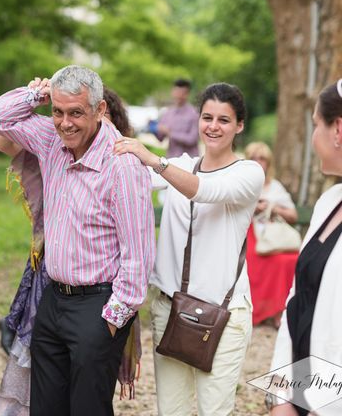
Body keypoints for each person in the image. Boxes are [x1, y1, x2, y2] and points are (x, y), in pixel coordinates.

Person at [0, 66, 156, 416]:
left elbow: (138, 256)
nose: (65, 123)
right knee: (46, 408)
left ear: (100, 110)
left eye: (76, 112)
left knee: (87, 409)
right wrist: (37, 95)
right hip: (53, 301)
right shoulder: (51, 139)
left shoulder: (122, 165)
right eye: (58, 112)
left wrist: (110, 322)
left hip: (98, 308)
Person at [114, 82, 264, 415]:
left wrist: (154, 159)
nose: (213, 126)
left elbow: (203, 190)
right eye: (207, 117)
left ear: (239, 125)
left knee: (214, 411)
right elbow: (125, 172)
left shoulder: (249, 173)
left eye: (223, 120)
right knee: (171, 411)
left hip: (223, 317)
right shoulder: (182, 164)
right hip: (170, 309)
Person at [267, 79, 342, 416]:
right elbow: (298, 302)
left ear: (337, 130)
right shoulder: (329, 203)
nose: (313, 138)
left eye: (315, 126)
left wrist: (327, 407)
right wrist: (283, 395)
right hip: (303, 393)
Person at [244, 141, 299, 328]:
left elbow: (293, 215)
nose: (259, 162)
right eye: (254, 158)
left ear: (269, 162)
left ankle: (279, 311)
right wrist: (252, 208)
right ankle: (255, 310)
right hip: (249, 236)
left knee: (289, 260)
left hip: (272, 237)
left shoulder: (275, 187)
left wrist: (273, 208)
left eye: (262, 158)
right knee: (253, 258)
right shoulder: (243, 184)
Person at [155, 78, 199, 158]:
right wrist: (155, 129)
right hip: (171, 160)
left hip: (190, 161)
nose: (178, 95)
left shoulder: (194, 114)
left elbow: (192, 139)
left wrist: (170, 133)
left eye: (181, 93)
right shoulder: (167, 113)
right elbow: (160, 139)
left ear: (187, 94)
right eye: (176, 92)